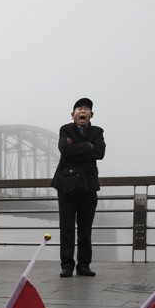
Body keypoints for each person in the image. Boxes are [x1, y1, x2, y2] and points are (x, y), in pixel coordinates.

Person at [51, 97, 106, 277]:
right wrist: (88, 147)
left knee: (85, 228)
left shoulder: (97, 132)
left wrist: (76, 148)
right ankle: (66, 265)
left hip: (88, 187)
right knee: (66, 228)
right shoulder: (65, 129)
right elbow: (64, 150)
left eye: (86, 108)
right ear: (73, 114)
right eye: (79, 108)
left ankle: (84, 265)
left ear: (91, 115)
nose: (83, 111)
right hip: (66, 186)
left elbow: (100, 153)